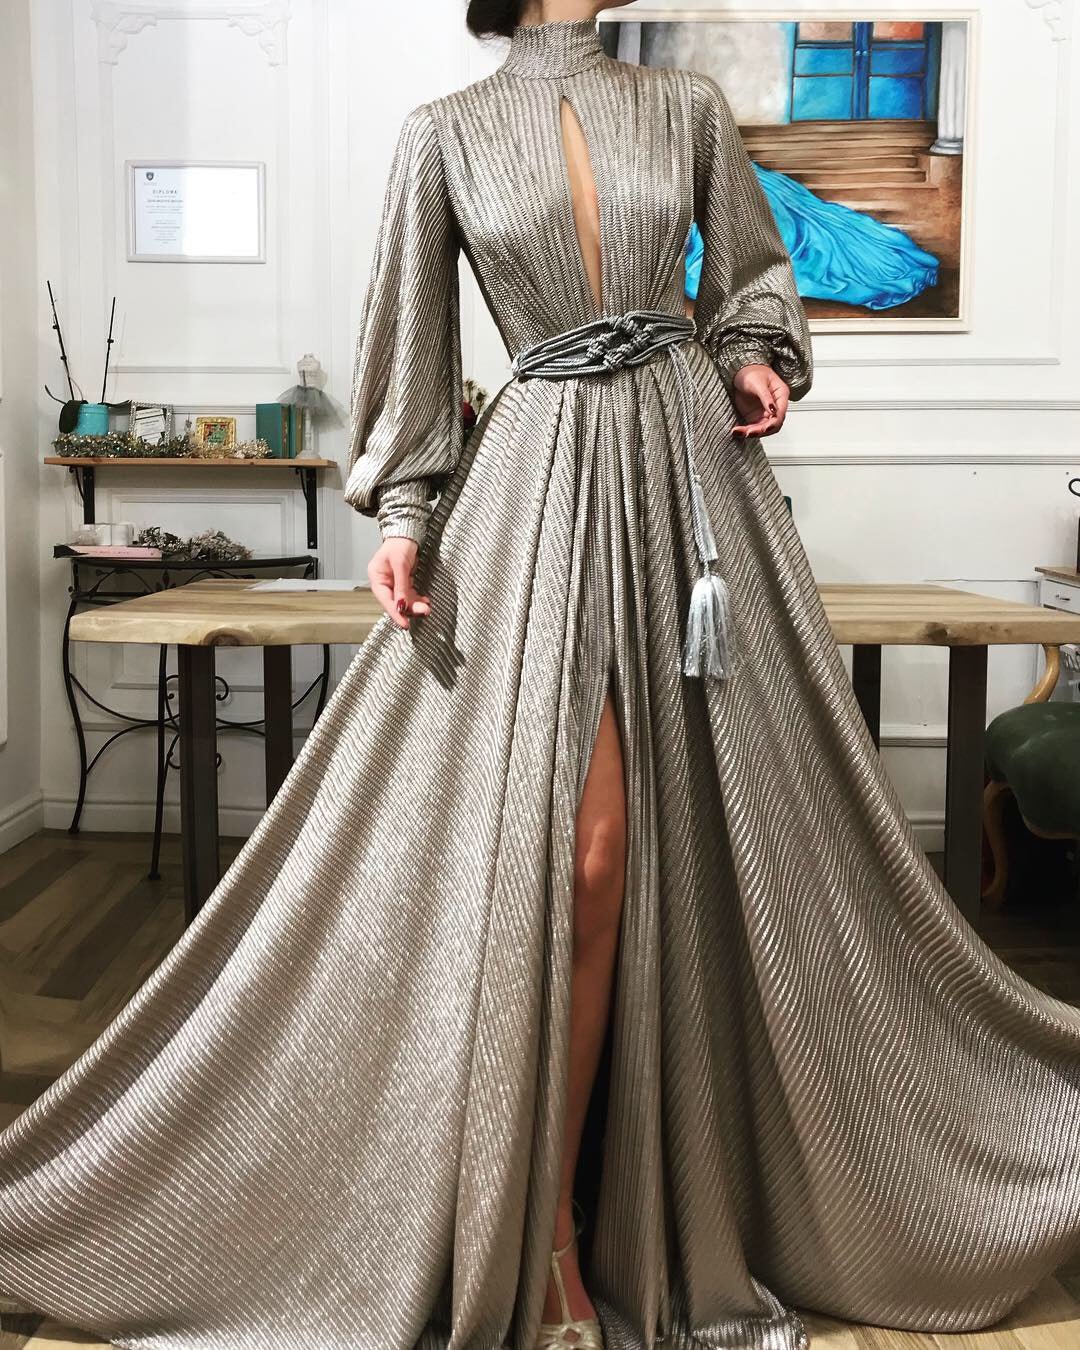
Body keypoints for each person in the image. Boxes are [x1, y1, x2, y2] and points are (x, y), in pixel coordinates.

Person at [3, 5, 1080, 1350]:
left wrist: (751, 349)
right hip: (538, 480)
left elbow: (751, 272)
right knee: (582, 851)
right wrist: (406, 515)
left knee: (736, 832)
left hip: (691, 479)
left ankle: (698, 1187)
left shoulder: (684, 107)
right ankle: (551, 1234)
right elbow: (410, 339)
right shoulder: (443, 134)